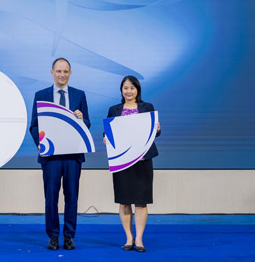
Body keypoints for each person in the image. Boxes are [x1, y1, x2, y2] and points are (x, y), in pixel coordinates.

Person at [29, 57, 91, 251]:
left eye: (65, 71)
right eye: (58, 71)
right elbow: (34, 125)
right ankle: (53, 236)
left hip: (73, 155)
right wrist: (41, 144)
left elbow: (87, 123)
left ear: (70, 73)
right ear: (52, 73)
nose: (62, 75)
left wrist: (81, 120)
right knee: (51, 197)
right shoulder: (41, 95)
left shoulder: (79, 95)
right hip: (51, 157)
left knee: (72, 196)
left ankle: (69, 236)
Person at [104, 75, 161, 253]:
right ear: (121, 90)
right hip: (122, 162)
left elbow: (155, 133)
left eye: (132, 88)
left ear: (137, 90)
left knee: (141, 202)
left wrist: (157, 129)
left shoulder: (147, 107)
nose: (129, 91)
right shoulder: (114, 109)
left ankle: (139, 238)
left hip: (142, 162)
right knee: (124, 201)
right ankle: (129, 237)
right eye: (126, 88)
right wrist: (106, 138)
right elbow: (108, 132)